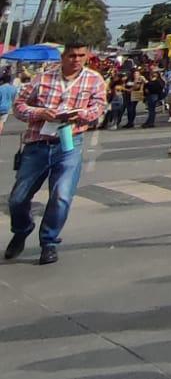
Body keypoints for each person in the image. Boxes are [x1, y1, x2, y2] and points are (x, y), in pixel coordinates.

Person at [5, 43, 106, 264]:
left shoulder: (94, 79)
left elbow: (99, 107)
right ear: (63, 56)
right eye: (72, 55)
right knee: (18, 199)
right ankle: (22, 229)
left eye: (81, 55)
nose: (76, 60)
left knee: (61, 195)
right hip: (37, 143)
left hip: (69, 143)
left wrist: (79, 114)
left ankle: (48, 241)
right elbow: (19, 106)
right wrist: (41, 112)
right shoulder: (43, 78)